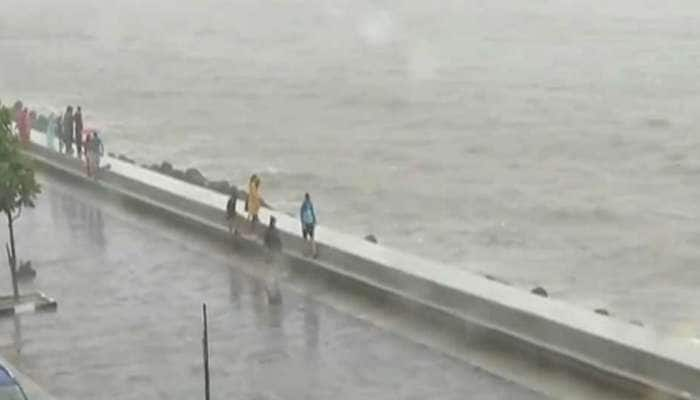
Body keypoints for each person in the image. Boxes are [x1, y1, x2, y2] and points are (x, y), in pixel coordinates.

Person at [300, 193, 318, 258]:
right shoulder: (306, 205)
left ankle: (310, 253)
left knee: (308, 239)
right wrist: (314, 220)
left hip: (309, 223)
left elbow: (302, 215)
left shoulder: (307, 204)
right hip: (308, 223)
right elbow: (302, 215)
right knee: (309, 239)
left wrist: (314, 220)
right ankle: (311, 253)